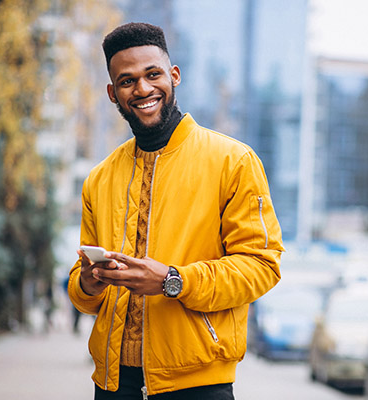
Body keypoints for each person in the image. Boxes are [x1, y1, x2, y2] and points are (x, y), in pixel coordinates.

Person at [67, 22, 284, 400]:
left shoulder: (233, 161)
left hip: (198, 385)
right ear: (112, 93)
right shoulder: (98, 179)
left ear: (174, 75)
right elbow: (81, 291)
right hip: (112, 385)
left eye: (153, 74)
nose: (143, 89)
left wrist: (173, 280)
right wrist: (89, 282)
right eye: (127, 80)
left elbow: (262, 266)